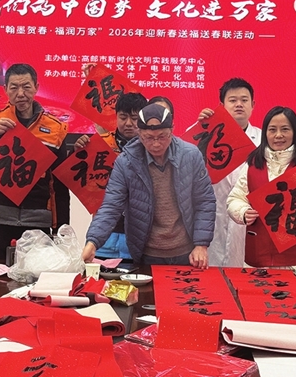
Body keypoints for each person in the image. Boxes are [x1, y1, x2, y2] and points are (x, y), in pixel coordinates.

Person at [0, 63, 70, 262]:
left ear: (36, 87)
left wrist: (61, 231)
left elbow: (61, 185)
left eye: (26, 87)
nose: (20, 94)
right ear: (5, 89)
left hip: (38, 223)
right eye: (14, 87)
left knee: (34, 279)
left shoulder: (56, 129)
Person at [82, 103, 216, 267]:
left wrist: (201, 244)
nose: (156, 144)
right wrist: (93, 242)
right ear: (139, 133)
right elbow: (111, 206)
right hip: (147, 252)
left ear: (172, 130)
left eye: (162, 136)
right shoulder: (126, 162)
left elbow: (205, 201)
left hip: (186, 251)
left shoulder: (190, 156)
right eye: (149, 138)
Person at [226, 106, 296, 298]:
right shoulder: (253, 164)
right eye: (272, 130)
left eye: (285, 129)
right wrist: (243, 211)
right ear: (265, 133)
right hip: (259, 257)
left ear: (295, 132)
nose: (278, 135)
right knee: (258, 311)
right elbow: (235, 198)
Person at [74, 92, 148, 260]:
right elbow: (82, 181)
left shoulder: (152, 149)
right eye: (123, 117)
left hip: (138, 237)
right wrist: (79, 152)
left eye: (134, 118)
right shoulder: (99, 144)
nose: (128, 123)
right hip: (104, 236)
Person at [198, 78, 261, 267]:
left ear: (253, 105)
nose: (239, 104)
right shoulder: (205, 136)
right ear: (222, 105)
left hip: (249, 221)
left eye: (244, 100)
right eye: (233, 100)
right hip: (213, 218)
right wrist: (200, 127)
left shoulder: (263, 141)